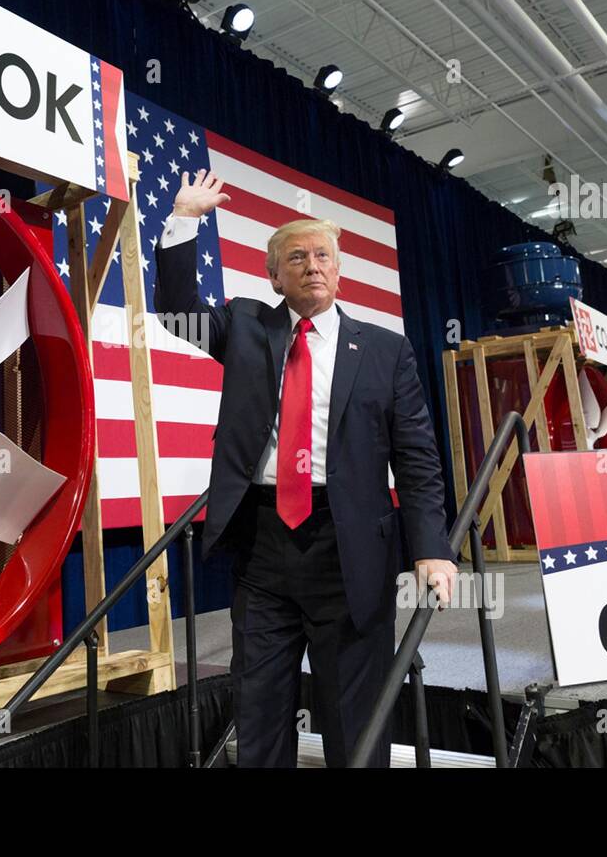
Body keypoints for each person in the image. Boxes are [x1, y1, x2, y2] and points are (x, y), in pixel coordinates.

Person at [152, 168, 459, 768]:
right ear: (274, 276)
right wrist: (184, 218)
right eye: (296, 257)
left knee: (354, 712)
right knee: (261, 705)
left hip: (349, 549)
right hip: (263, 544)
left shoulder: (385, 351)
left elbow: (417, 458)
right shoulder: (245, 326)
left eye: (323, 255)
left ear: (339, 271)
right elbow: (177, 312)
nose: (312, 264)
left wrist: (433, 546)